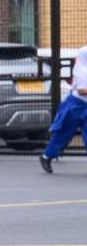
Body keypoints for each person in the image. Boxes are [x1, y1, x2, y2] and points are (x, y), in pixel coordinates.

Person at [39, 43, 87, 172]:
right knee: (63, 133)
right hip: (76, 105)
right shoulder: (81, 71)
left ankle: (47, 156)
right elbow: (82, 90)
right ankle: (46, 156)